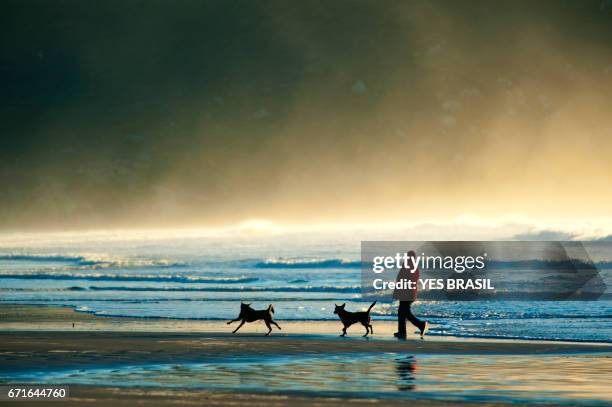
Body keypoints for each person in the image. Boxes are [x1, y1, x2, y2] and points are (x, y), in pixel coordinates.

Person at [393, 250, 428, 339]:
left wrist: (398, 291)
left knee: (405, 312)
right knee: (402, 312)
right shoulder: (414, 267)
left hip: (406, 292)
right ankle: (402, 332)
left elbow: (402, 279)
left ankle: (421, 324)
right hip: (409, 292)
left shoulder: (408, 266)